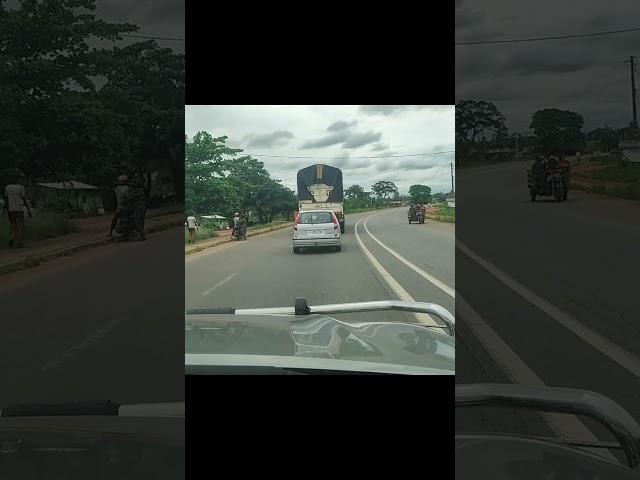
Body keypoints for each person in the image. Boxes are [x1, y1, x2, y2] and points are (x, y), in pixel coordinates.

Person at [3, 170, 32, 248]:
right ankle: (19, 243)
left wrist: (5, 209)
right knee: (20, 226)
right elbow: (24, 199)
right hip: (19, 209)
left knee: (13, 225)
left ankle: (11, 239)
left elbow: (6, 199)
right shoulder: (21, 187)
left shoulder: (7, 187)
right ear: (17, 180)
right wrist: (29, 210)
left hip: (10, 210)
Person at [109, 174, 131, 240]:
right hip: (125, 208)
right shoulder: (128, 188)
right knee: (123, 220)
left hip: (120, 208)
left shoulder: (117, 188)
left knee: (115, 220)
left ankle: (111, 232)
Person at [129, 175, 147, 241]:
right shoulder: (141, 190)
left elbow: (131, 197)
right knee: (140, 221)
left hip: (139, 207)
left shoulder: (138, 191)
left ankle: (141, 235)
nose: (133, 184)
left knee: (138, 221)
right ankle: (141, 235)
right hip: (141, 207)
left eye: (134, 183)